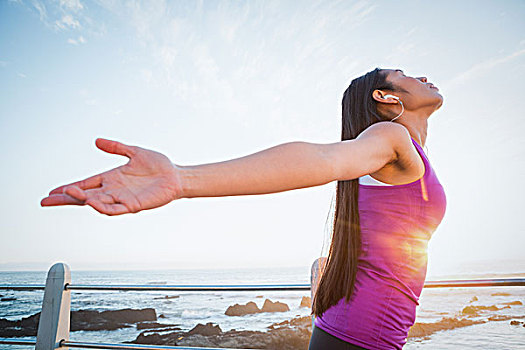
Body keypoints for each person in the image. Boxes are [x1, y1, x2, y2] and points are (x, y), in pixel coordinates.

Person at [41, 67, 446, 350]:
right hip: (361, 336)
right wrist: (183, 179)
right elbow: (322, 160)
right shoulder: (390, 137)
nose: (421, 77)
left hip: (360, 330)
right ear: (386, 97)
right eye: (405, 73)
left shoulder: (405, 156)